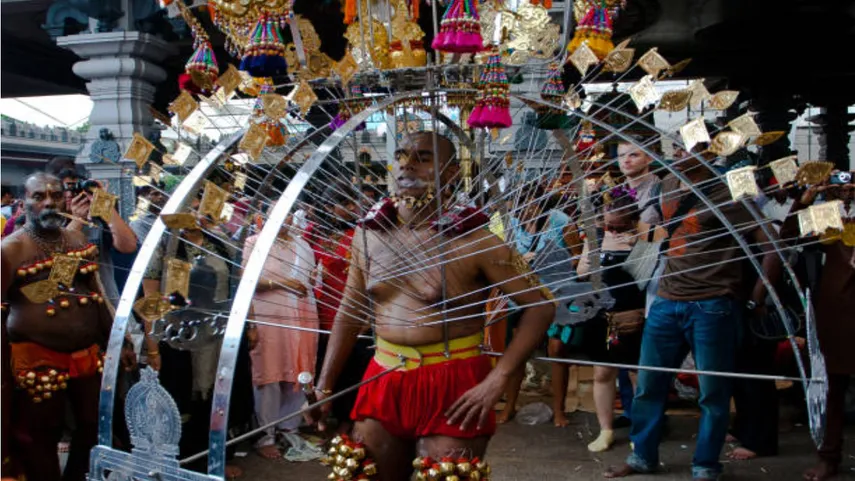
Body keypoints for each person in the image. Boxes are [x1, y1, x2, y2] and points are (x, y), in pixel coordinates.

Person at [310, 131, 556, 481]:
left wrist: (498, 379)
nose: (407, 164)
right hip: (384, 373)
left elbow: (541, 307)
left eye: (423, 158)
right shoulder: (368, 235)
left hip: (453, 379)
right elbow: (350, 312)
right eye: (401, 156)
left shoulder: (477, 240)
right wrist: (324, 386)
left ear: (452, 172)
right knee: (366, 474)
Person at [604, 149, 782, 481]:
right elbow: (668, 235)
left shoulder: (728, 190)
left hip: (712, 304)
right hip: (667, 301)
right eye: (676, 146)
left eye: (688, 147)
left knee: (713, 392)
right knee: (648, 384)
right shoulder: (668, 185)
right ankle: (642, 456)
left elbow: (771, 243)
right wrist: (627, 225)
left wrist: (757, 299)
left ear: (708, 152)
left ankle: (705, 465)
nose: (678, 153)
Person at [1, 173, 135, 481]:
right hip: (36, 362)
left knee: (93, 425)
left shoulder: (75, 240)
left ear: (66, 200)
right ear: (24, 203)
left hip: (86, 357)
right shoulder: (10, 250)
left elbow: (94, 296)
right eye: (38, 197)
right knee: (38, 436)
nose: (49, 202)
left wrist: (120, 342)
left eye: (56, 196)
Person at [142, 212, 252, 478]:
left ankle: (214, 457)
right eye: (187, 206)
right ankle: (185, 462)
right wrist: (153, 347)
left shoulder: (219, 242)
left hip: (219, 332)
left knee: (220, 393)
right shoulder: (163, 247)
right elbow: (151, 301)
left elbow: (239, 283)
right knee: (182, 396)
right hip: (178, 335)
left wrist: (251, 324)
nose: (193, 213)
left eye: (199, 205)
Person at [783, 177, 855, 481]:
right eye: (845, 186)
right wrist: (807, 198)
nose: (848, 190)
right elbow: (788, 235)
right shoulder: (832, 217)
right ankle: (829, 456)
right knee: (835, 387)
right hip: (838, 314)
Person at [499, 185, 581, 427]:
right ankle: (510, 405)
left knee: (557, 349)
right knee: (517, 349)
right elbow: (505, 258)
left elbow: (578, 255)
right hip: (523, 297)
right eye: (517, 208)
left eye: (528, 207)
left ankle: (559, 410)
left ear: (540, 204)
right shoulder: (511, 224)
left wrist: (553, 264)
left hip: (558, 294)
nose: (521, 213)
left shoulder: (560, 222)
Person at [577, 187, 646, 452]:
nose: (613, 231)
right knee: (602, 372)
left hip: (632, 314)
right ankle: (605, 430)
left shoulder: (644, 237)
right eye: (609, 226)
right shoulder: (594, 235)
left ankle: (642, 430)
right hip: (600, 313)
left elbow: (646, 277)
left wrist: (633, 247)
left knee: (637, 374)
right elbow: (582, 271)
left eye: (619, 227)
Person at [243, 217, 318, 459]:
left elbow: (311, 277)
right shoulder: (255, 242)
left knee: (299, 371)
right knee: (269, 374)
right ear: (263, 217)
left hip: (302, 314)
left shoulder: (303, 245)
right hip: (269, 316)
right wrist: (283, 283)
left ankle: (290, 426)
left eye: (286, 214)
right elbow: (248, 281)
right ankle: (266, 435)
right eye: (275, 213)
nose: (283, 219)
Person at [304, 186, 367, 433]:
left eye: (354, 202)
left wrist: (369, 315)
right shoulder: (312, 234)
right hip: (320, 312)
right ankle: (324, 417)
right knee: (325, 365)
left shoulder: (361, 233)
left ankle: (349, 421)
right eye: (346, 203)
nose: (353, 208)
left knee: (355, 367)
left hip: (355, 312)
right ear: (329, 208)